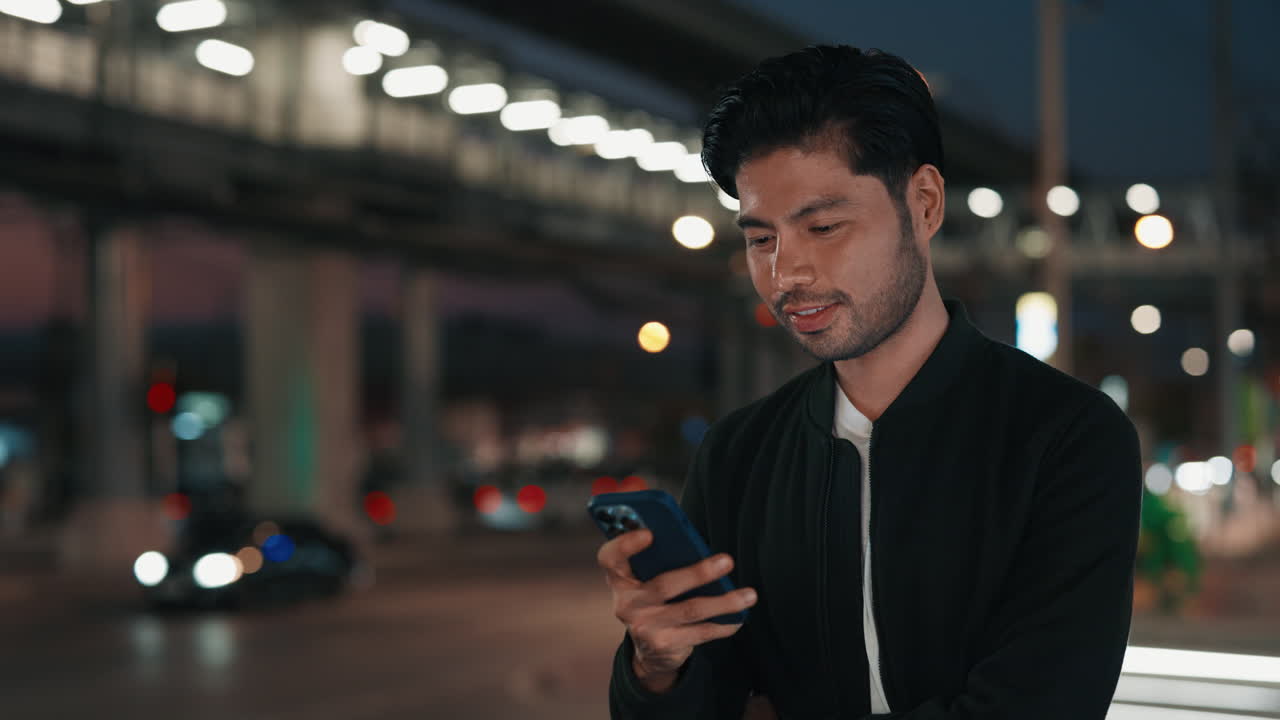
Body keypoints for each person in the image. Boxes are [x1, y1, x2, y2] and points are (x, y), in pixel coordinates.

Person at [596, 45, 1142, 719]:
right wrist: (655, 666)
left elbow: (1041, 702)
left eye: (823, 227)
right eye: (760, 239)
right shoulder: (739, 455)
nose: (785, 273)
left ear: (925, 204)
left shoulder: (1065, 439)